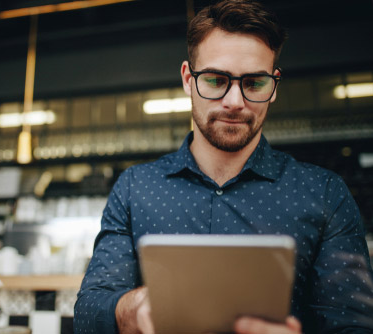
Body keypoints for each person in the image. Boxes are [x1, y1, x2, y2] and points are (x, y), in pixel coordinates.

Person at [74, 0, 373, 333]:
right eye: (216, 80)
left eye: (254, 83)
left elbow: (353, 324)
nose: (234, 101)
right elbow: (89, 312)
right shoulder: (135, 188)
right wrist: (135, 308)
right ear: (188, 79)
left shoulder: (326, 195)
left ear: (274, 86)